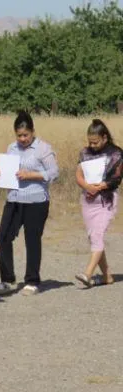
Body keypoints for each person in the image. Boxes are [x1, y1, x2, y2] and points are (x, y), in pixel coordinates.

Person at [0, 111, 59, 296]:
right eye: (19, 135)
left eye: (26, 135)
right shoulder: (11, 148)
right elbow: (9, 171)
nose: (22, 139)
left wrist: (31, 175)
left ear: (32, 132)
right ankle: (7, 279)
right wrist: (1, 173)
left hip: (36, 200)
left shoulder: (43, 149)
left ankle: (32, 280)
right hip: (14, 199)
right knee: (3, 236)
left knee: (32, 239)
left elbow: (54, 173)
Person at [74, 119, 123, 287]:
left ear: (104, 138)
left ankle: (88, 273)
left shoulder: (116, 153)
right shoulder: (84, 152)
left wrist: (102, 186)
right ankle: (107, 276)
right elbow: (78, 174)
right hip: (88, 200)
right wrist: (87, 186)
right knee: (93, 236)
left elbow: (117, 178)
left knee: (97, 235)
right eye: (90, 142)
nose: (92, 145)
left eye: (95, 142)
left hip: (106, 200)